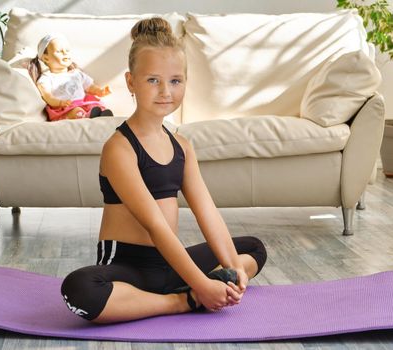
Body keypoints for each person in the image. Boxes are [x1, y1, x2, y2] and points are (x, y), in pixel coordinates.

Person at [60, 17, 267, 324]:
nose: (165, 91)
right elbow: (157, 227)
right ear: (131, 82)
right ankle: (181, 301)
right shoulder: (119, 148)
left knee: (253, 249)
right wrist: (200, 284)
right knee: (79, 289)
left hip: (169, 263)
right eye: (153, 80)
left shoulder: (182, 146)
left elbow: (207, 212)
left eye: (175, 81)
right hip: (127, 269)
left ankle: (196, 286)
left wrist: (233, 267)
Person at [28, 34, 114, 121]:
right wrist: (59, 103)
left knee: (95, 106)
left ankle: (101, 116)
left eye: (67, 50)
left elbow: (90, 87)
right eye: (59, 51)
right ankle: (85, 117)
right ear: (46, 58)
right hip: (64, 108)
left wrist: (100, 91)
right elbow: (48, 97)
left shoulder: (77, 74)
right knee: (77, 111)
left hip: (82, 103)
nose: (65, 53)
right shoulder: (46, 78)